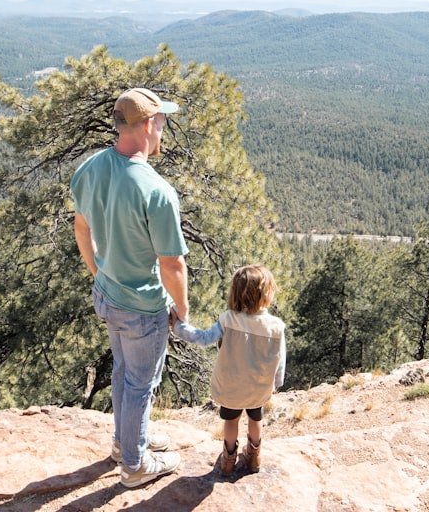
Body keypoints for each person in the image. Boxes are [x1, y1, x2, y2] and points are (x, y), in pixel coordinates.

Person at [70, 87, 189, 489]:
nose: (164, 128)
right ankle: (135, 467)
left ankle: (125, 444)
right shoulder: (156, 191)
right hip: (142, 306)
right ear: (149, 125)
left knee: (124, 373)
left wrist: (98, 273)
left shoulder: (90, 168)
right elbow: (172, 264)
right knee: (140, 383)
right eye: (162, 120)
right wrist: (182, 309)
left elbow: (81, 228)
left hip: (108, 295)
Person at [172, 264, 286, 475]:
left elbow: (203, 338)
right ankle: (254, 457)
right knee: (256, 419)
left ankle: (228, 460)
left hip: (232, 386)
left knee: (231, 422)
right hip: (258, 386)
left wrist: (178, 327)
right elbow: (280, 359)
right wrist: (277, 383)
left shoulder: (228, 319)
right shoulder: (276, 326)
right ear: (266, 293)